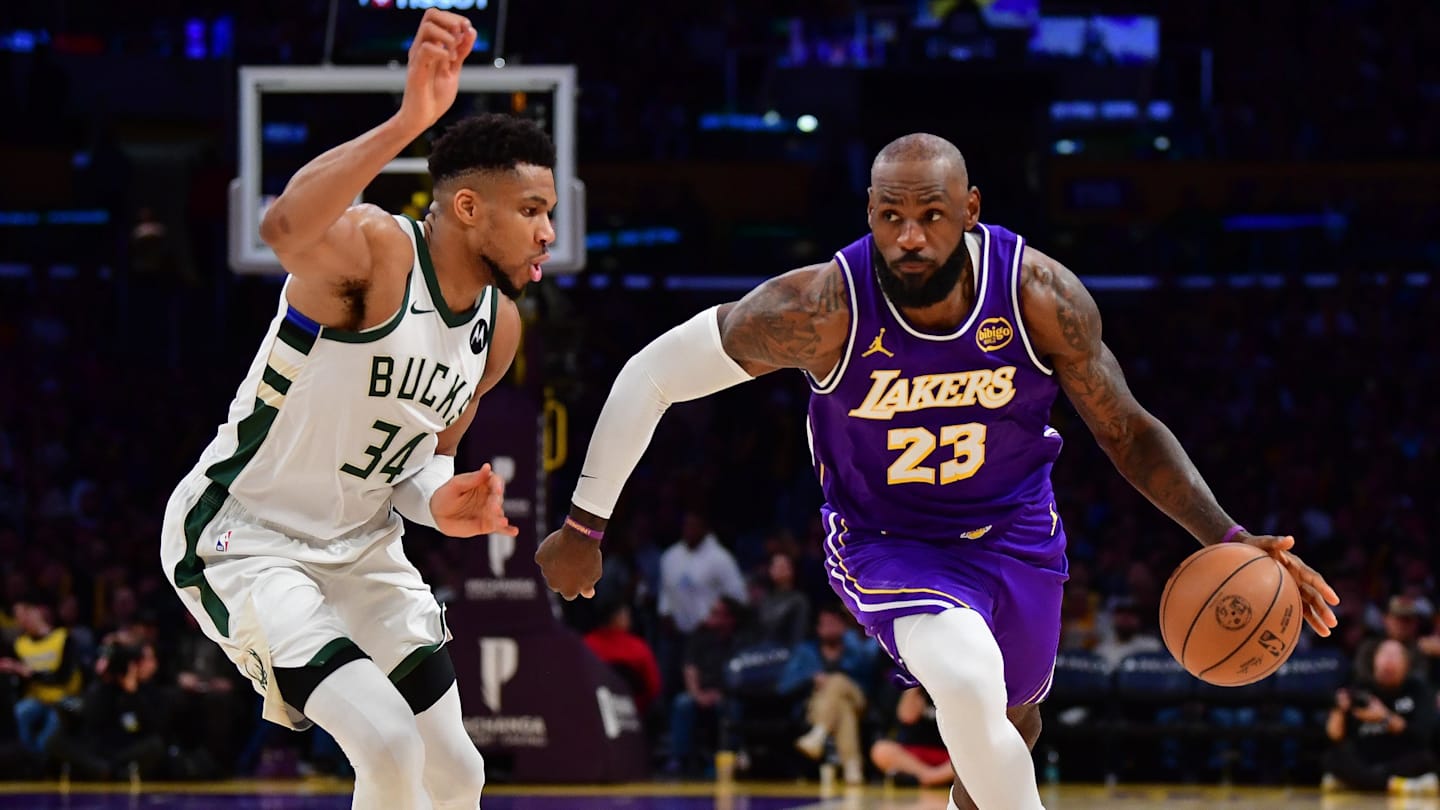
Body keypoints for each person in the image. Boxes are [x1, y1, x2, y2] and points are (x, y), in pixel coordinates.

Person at [535, 132, 1340, 809]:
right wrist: (583, 523)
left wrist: (1232, 537)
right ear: (871, 216)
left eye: (930, 216)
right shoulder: (824, 309)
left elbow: (1127, 432)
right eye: (891, 216)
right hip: (890, 540)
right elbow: (653, 374)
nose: (910, 236)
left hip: (1018, 531)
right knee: (963, 677)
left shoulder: (1039, 297)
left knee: (1010, 724)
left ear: (971, 211)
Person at [158, 10, 577, 809]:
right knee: (384, 740)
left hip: (361, 548)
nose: (548, 233)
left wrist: (442, 501)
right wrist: (411, 119)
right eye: (530, 211)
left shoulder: (501, 328)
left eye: (548, 211)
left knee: (457, 769)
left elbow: (424, 464)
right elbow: (283, 225)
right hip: (246, 536)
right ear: (465, 209)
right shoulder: (378, 252)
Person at [1323, 639, 1437, 794]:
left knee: (1427, 759)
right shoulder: (1358, 689)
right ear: (1374, 661)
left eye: (1396, 656)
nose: (1389, 660)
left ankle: (1358, 782)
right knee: (1333, 759)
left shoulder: (1418, 690)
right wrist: (1339, 711)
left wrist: (1384, 717)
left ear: (1407, 665)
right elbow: (1335, 736)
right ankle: (1394, 784)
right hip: (1366, 758)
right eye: (1385, 654)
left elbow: (1424, 735)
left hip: (1400, 757)